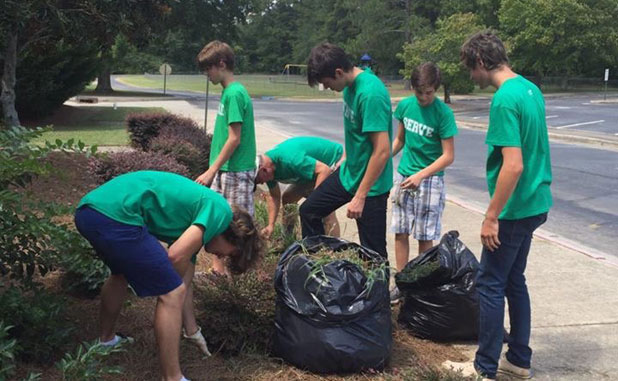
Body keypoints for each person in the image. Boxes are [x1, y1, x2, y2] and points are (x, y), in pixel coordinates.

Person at [74, 171, 263, 381]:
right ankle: (172, 377)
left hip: (91, 212)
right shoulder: (221, 212)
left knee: (120, 275)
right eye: (232, 254)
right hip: (117, 216)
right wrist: (169, 293)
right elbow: (174, 260)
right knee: (171, 293)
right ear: (235, 238)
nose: (222, 256)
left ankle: (106, 340)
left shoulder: (196, 228)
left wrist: (192, 330)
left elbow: (185, 281)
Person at [460, 31, 553, 380]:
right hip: (536, 202)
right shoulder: (530, 89)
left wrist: (491, 215)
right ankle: (518, 359)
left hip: (514, 209)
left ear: (481, 62)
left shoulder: (503, 100)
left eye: (471, 69)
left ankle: (485, 368)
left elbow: (513, 164)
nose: (472, 77)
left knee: (490, 283)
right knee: (514, 280)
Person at [300, 43, 393, 259]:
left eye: (328, 83)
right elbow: (357, 132)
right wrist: (346, 157)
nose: (329, 88)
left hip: (371, 186)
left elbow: (382, 151)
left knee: (373, 253)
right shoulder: (349, 87)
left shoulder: (371, 94)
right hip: (350, 173)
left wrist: (360, 197)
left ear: (339, 72)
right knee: (309, 210)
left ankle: (379, 293)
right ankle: (318, 269)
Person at [389, 62, 457, 304]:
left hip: (429, 181)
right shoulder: (406, 106)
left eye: (429, 92)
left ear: (436, 89)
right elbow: (399, 140)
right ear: (413, 88)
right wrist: (384, 156)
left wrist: (422, 175)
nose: (424, 97)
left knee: (424, 235)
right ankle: (402, 282)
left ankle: (421, 284)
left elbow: (448, 155)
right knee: (401, 230)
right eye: (420, 92)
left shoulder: (443, 114)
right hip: (404, 176)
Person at [195, 40, 257, 276]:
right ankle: (218, 271)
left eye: (207, 68)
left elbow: (234, 138)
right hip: (225, 169)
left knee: (240, 228)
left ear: (221, 64)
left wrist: (211, 171)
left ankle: (242, 275)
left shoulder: (234, 93)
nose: (206, 74)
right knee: (221, 221)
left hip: (236, 170)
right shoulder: (227, 92)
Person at [255, 136, 344, 238]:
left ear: (263, 169)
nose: (261, 183)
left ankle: (334, 248)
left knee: (325, 211)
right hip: (312, 170)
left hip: (332, 162)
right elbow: (275, 196)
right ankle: (288, 236)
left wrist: (315, 200)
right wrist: (271, 225)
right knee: (288, 198)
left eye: (258, 180)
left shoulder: (290, 159)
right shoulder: (268, 171)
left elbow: (324, 170)